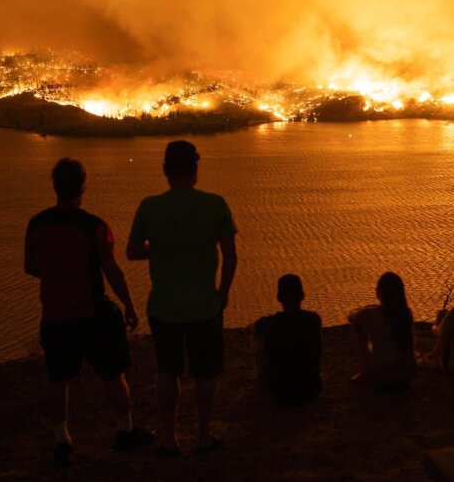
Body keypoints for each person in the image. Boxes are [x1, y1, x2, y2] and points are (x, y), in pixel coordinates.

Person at [25, 158, 153, 469]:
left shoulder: (37, 224)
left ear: (55, 186)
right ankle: (124, 431)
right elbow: (111, 270)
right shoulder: (94, 226)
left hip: (54, 315)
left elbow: (31, 267)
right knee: (113, 375)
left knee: (57, 380)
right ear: (83, 186)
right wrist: (129, 305)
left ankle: (61, 441)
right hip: (93, 313)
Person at [127, 140, 237, 455]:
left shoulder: (150, 207)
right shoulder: (216, 204)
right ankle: (202, 434)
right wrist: (224, 291)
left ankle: (169, 439)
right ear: (195, 169)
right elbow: (230, 256)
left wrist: (159, 248)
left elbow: (133, 251)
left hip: (163, 305)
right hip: (205, 304)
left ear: (165, 170)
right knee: (204, 372)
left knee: (167, 370)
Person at [253, 274, 322, 406]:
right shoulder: (314, 319)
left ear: (279, 298)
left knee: (258, 337)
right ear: (302, 296)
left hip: (280, 392)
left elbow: (255, 327)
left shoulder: (268, 323)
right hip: (311, 389)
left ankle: (263, 383)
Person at [348, 272, 417, 391]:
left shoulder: (370, 314)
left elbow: (351, 316)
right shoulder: (406, 313)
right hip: (406, 376)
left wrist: (364, 309)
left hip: (383, 377)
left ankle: (365, 372)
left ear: (379, 292)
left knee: (357, 327)